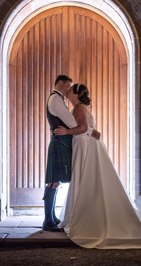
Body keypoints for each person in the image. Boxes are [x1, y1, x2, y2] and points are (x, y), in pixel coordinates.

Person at [55, 83, 141, 248]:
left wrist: (66, 132)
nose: (67, 93)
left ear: (76, 95)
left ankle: (82, 217)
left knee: (84, 179)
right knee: (86, 179)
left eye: (70, 91)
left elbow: (82, 128)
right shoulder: (82, 107)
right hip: (88, 144)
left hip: (85, 146)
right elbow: (88, 128)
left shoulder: (78, 109)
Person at [43, 75, 100, 232]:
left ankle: (51, 218)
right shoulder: (55, 99)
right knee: (53, 182)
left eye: (71, 88)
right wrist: (90, 130)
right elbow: (72, 122)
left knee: (56, 182)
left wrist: (82, 129)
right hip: (59, 142)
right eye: (68, 86)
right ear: (60, 83)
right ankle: (48, 220)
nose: (69, 89)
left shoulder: (58, 99)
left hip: (63, 142)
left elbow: (73, 123)